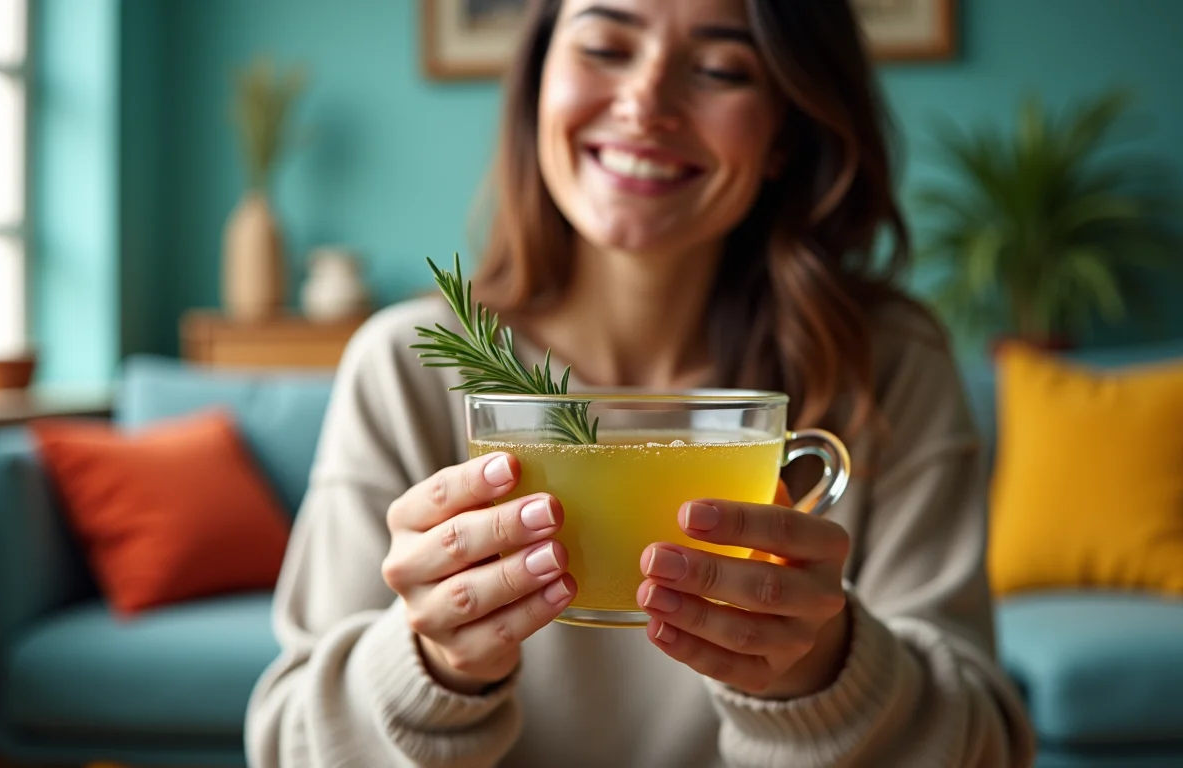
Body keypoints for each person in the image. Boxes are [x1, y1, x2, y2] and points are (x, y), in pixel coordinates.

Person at [245, 0, 1036, 765]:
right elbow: (286, 745)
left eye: (723, 69)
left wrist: (821, 671)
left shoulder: (887, 364)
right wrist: (431, 663)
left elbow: (988, 746)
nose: (644, 103)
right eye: (605, 48)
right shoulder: (408, 365)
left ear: (787, 131)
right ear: (538, 84)